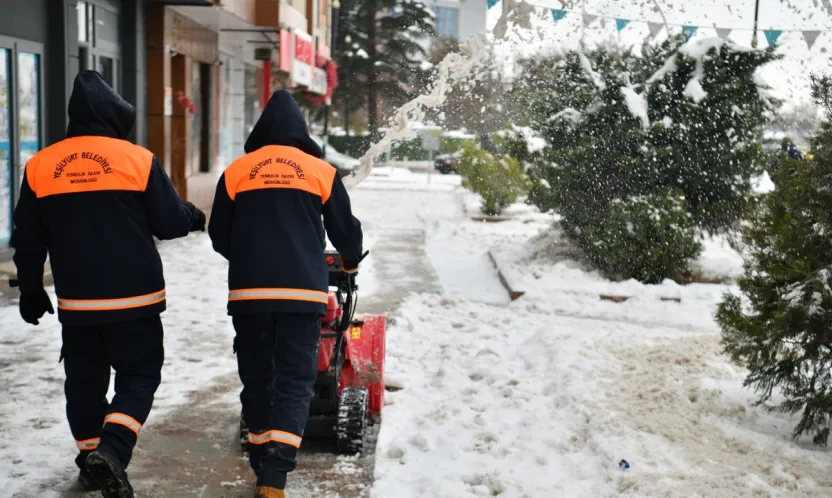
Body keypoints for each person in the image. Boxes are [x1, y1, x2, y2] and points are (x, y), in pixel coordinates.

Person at [10, 71, 205, 497]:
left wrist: (30, 287)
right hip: (136, 299)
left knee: (84, 381)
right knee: (139, 374)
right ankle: (112, 452)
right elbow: (170, 224)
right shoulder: (136, 160)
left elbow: (26, 237)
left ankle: (89, 459)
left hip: (78, 304)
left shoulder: (41, 165)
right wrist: (193, 214)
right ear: (117, 117)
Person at [208, 90, 363, 498]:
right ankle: (274, 477)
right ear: (302, 132)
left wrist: (246, 257)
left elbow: (218, 234)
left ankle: (263, 465)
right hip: (302, 295)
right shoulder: (319, 171)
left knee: (258, 379)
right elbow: (347, 231)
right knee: (295, 380)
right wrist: (347, 262)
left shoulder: (237, 171)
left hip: (249, 296)